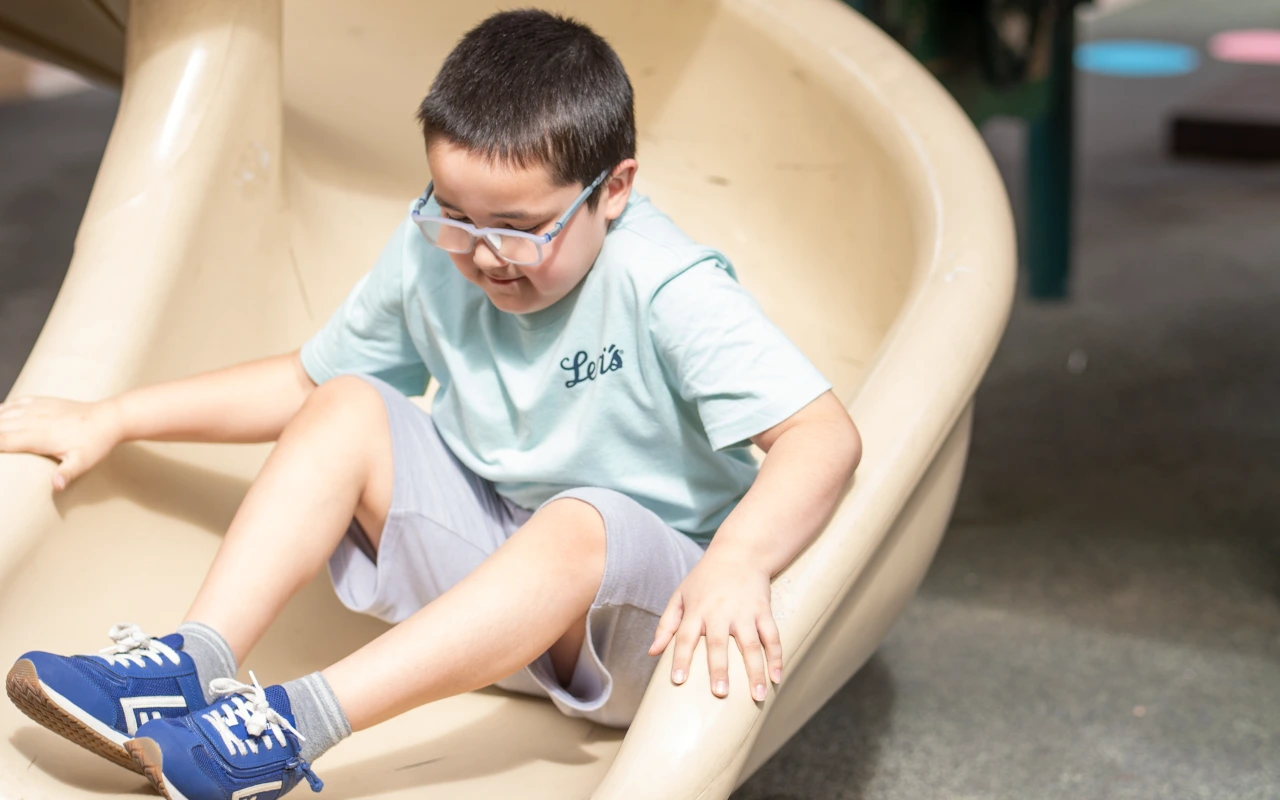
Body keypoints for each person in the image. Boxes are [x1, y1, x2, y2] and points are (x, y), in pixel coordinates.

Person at [1, 9, 861, 799]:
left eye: (520, 228)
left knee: (581, 520)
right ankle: (190, 662)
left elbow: (821, 434)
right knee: (344, 404)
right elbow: (303, 383)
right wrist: (115, 415)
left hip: (653, 627)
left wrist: (739, 560)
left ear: (615, 188)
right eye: (456, 218)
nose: (485, 257)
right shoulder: (430, 249)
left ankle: (289, 726)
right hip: (488, 590)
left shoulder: (664, 284)